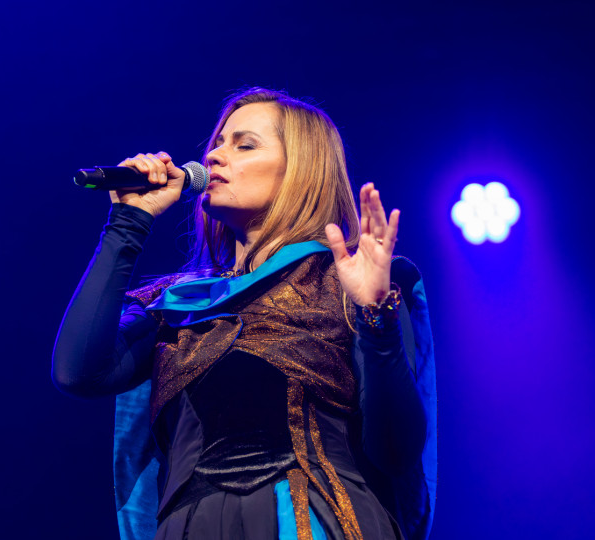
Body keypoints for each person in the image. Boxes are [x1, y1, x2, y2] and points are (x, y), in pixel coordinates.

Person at [52, 88, 436, 540]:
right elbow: (78, 373)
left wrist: (376, 319)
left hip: (309, 519)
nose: (214, 155)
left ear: (301, 171)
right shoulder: (175, 304)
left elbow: (396, 452)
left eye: (244, 145)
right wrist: (128, 223)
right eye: (217, 143)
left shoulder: (349, 280)